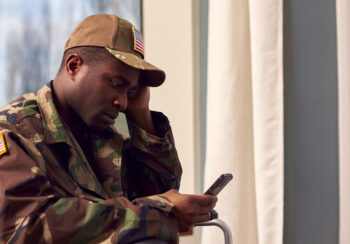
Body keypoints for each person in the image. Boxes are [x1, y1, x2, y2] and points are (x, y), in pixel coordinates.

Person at [0, 13, 217, 244]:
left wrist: (140, 113)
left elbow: (158, 191)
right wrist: (158, 213)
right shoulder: (13, 131)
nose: (122, 103)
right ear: (74, 66)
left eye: (130, 91)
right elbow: (26, 227)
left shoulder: (105, 137)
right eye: (116, 84)